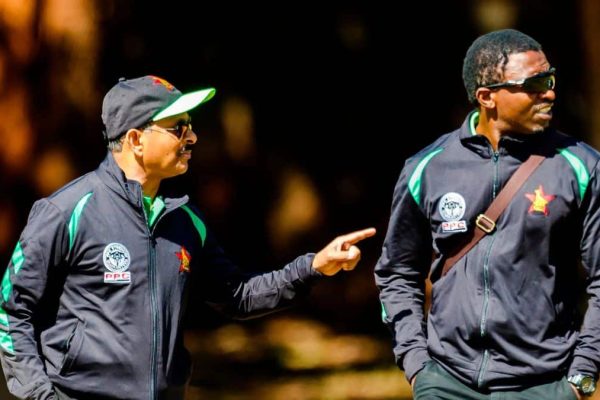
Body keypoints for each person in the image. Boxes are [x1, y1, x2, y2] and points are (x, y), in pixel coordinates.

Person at [0, 75, 376, 400]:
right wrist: (40, 394)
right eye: (178, 127)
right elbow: (12, 309)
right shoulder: (67, 211)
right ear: (136, 139)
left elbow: (238, 295)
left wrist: (313, 267)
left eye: (190, 126)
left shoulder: (185, 220)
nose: (192, 137)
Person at [374, 28, 600, 400]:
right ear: (487, 97)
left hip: (545, 385)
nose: (549, 93)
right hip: (446, 382)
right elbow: (397, 272)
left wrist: (582, 376)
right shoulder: (427, 167)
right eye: (534, 84)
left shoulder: (581, 166)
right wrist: (416, 364)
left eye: (550, 79)